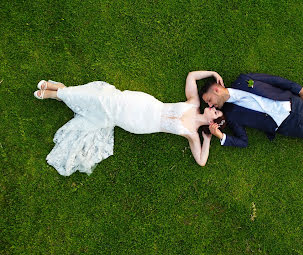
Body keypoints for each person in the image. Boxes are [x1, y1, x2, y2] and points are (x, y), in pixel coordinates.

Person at [33, 71, 226, 176]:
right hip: (145, 104)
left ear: (213, 121)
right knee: (107, 99)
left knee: (109, 112)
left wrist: (208, 137)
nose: (212, 106)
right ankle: (61, 93)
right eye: (216, 107)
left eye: (215, 111)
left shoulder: (192, 134)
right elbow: (192, 75)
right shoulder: (193, 103)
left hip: (141, 124)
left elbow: (201, 161)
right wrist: (212, 73)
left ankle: (60, 93)